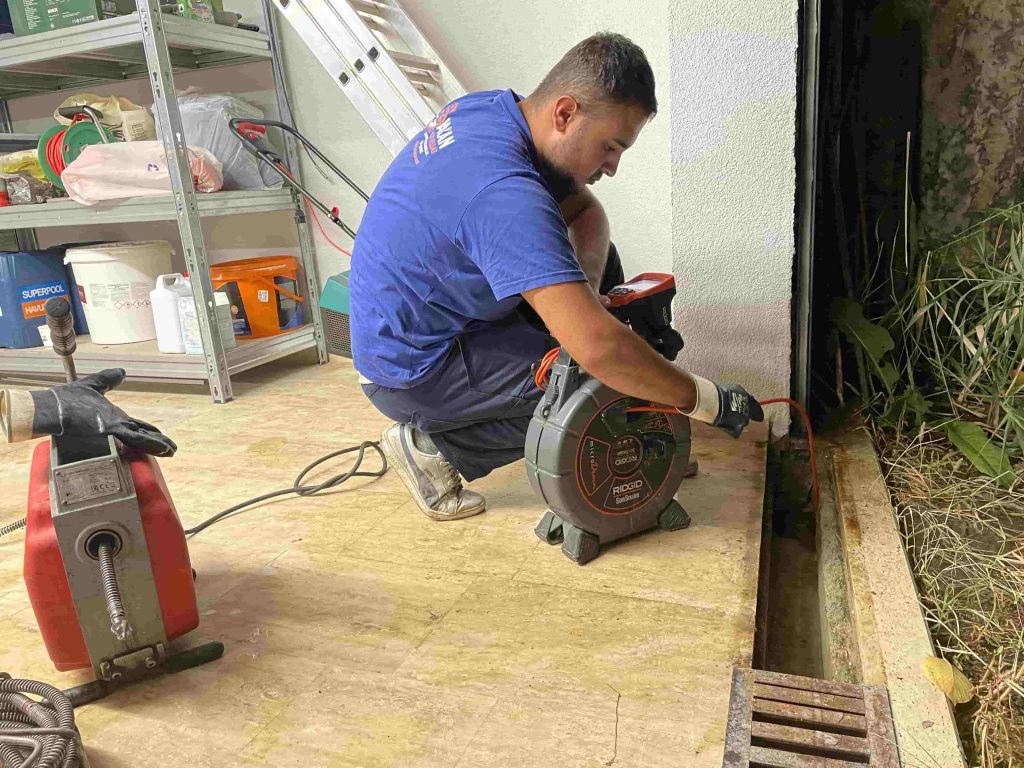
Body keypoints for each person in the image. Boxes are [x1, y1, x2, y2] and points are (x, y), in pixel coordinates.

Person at [350, 33, 763, 522]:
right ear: (565, 113)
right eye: (610, 146)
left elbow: (586, 212)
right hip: (415, 367)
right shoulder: (504, 194)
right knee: (588, 381)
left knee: (600, 279)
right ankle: (432, 449)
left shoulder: (494, 113)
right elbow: (601, 351)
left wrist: (586, 294)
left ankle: (641, 419)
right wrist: (705, 400)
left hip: (436, 317)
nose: (613, 166)